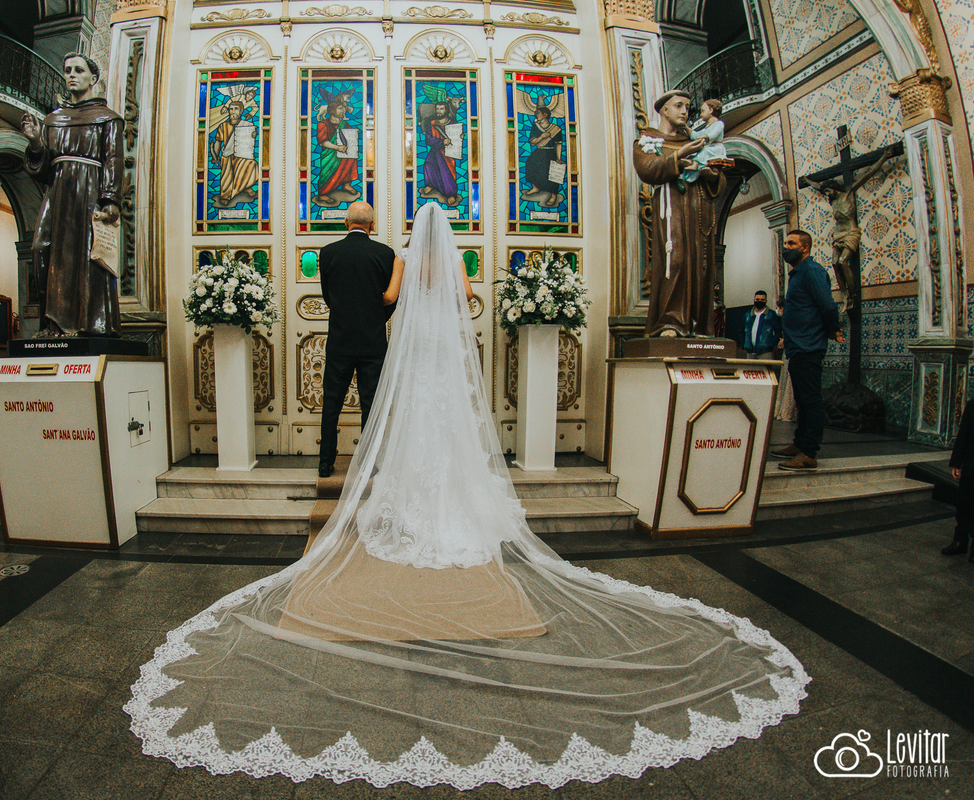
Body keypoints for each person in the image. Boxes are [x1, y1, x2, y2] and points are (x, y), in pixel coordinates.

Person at [127, 204, 808, 789]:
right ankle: (447, 500)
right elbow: (448, 296)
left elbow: (389, 300)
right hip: (439, 351)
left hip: (378, 342)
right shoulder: (427, 262)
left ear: (370, 229)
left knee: (387, 414)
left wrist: (394, 298)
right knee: (442, 423)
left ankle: (362, 475)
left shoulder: (361, 259)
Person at [23, 52, 123, 337]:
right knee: (42, 248)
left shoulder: (107, 119)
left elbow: (113, 160)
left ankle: (92, 324)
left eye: (78, 70)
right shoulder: (53, 120)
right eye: (67, 70)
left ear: (93, 78)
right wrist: (34, 142)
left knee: (89, 256)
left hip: (89, 190)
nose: (71, 75)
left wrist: (110, 199)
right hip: (58, 190)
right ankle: (52, 324)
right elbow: (41, 170)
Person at [316, 201, 401, 478]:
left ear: (345, 223)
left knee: (332, 403)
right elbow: (391, 298)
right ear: (372, 225)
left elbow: (329, 297)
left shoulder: (328, 253)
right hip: (373, 343)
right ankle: (368, 462)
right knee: (371, 405)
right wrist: (375, 320)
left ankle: (326, 462)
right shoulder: (384, 253)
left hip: (340, 341)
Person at [633, 89, 727, 337]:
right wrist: (679, 156)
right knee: (676, 260)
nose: (685, 111)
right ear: (664, 109)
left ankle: (698, 324)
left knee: (702, 264)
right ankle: (670, 322)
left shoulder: (697, 140)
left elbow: (719, 177)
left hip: (700, 210)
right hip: (671, 207)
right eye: (679, 105)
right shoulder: (648, 140)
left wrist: (708, 172)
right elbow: (647, 169)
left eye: (688, 106)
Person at [771, 230, 843, 472]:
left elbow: (828, 306)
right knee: (802, 399)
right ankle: (799, 444)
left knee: (810, 400)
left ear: (804, 248)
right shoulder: (798, 274)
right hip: (798, 346)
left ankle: (809, 453)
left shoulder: (812, 271)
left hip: (808, 345)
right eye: (786, 243)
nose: (786, 247)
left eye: (791, 243)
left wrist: (833, 329)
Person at [802, 151, 889, 314]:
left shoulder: (848, 193)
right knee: (834, 263)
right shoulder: (833, 200)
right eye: (825, 192)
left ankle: (852, 294)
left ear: (834, 187)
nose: (827, 194)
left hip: (850, 232)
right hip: (838, 234)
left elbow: (870, 173)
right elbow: (816, 186)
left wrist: (884, 157)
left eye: (828, 191)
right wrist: (807, 181)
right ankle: (844, 295)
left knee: (843, 262)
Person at [312, 92, 361, 207]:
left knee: (351, 159)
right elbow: (323, 142)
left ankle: (346, 184)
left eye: (343, 109)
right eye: (340, 109)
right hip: (329, 154)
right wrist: (338, 148)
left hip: (343, 152)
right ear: (332, 111)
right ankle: (323, 193)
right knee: (326, 172)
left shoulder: (344, 124)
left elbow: (349, 137)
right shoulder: (323, 124)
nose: (342, 111)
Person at [210, 99, 258, 208]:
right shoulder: (223, 126)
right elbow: (218, 142)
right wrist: (215, 156)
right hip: (227, 155)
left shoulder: (246, 125)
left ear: (241, 111)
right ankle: (227, 196)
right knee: (227, 172)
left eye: (236, 109)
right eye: (231, 109)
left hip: (242, 155)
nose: (233, 111)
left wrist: (253, 135)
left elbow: (251, 139)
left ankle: (244, 187)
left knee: (252, 165)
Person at [943, 396, 974, 559]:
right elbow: (964, 434)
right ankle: (960, 541)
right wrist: (956, 462)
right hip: (971, 465)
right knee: (963, 504)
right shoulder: (972, 405)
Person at [522, 105, 563, 207]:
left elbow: (558, 143)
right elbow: (532, 143)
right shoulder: (536, 127)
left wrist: (558, 157)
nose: (536, 115)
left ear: (545, 115)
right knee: (529, 163)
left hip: (550, 153)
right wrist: (542, 137)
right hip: (539, 151)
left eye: (538, 113)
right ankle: (535, 187)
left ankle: (553, 195)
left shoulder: (556, 129)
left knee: (552, 171)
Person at [681, 99, 727, 183]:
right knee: (700, 151)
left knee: (704, 150)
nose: (701, 114)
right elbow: (695, 135)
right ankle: (693, 169)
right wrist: (686, 128)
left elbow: (714, 133)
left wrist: (707, 136)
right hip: (709, 148)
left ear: (711, 110)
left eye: (702, 111)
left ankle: (696, 165)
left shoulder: (719, 124)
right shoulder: (707, 127)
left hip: (715, 148)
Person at [773, 295, 797, 422]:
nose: (779, 311)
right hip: (789, 352)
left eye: (779, 308)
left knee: (788, 382)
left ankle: (787, 411)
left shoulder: (790, 319)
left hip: (792, 352)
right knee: (786, 380)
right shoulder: (789, 318)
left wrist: (784, 341)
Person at [742, 290, 781, 359]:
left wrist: (771, 344)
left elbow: (779, 331)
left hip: (765, 352)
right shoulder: (747, 315)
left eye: (762, 300)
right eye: (757, 299)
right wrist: (744, 344)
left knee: (765, 370)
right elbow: (741, 331)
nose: (759, 301)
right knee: (749, 370)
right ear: (754, 300)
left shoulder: (771, 315)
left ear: (766, 301)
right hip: (750, 352)